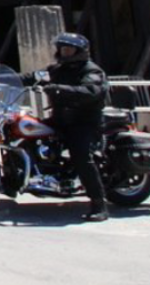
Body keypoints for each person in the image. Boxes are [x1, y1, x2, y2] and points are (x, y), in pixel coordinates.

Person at [22, 32, 110, 222]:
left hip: (84, 122)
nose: (64, 52)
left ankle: (99, 205)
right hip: (60, 119)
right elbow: (33, 76)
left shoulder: (91, 71)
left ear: (79, 51)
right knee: (27, 133)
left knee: (81, 157)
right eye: (62, 49)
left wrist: (59, 89)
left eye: (68, 49)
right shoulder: (56, 69)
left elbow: (90, 90)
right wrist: (6, 79)